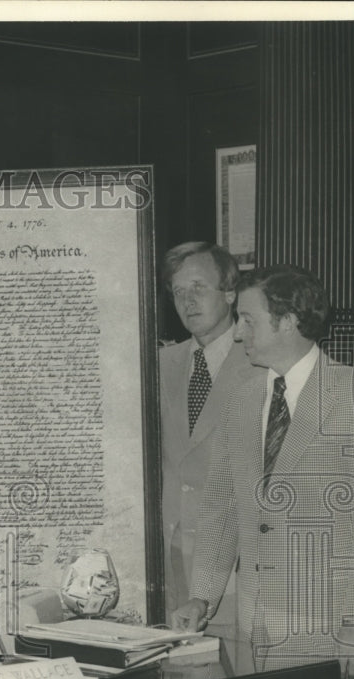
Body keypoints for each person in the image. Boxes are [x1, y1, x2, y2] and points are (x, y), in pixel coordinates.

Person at [172, 265, 354, 679]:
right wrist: (203, 593)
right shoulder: (242, 401)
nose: (239, 331)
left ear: (288, 319)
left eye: (247, 319)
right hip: (258, 622)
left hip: (330, 623)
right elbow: (223, 504)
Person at [158, 242, 256, 654]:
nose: (187, 300)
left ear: (230, 292)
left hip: (236, 572)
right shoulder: (158, 365)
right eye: (178, 291)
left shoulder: (260, 362)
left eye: (198, 286)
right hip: (166, 570)